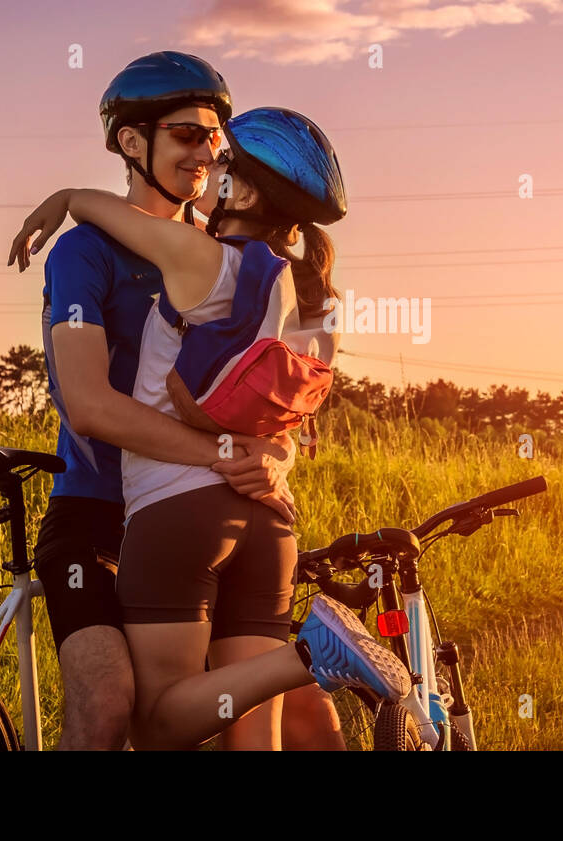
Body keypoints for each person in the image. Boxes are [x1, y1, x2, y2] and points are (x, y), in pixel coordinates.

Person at [30, 107, 410, 749]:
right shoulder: (306, 291)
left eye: (224, 160)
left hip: (178, 511)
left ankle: (310, 657)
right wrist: (270, 456)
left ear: (249, 191)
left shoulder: (196, 255)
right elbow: (288, 416)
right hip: (269, 518)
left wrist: (69, 196)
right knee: (251, 737)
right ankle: (312, 655)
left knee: (156, 723)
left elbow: (110, 214)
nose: (211, 164)